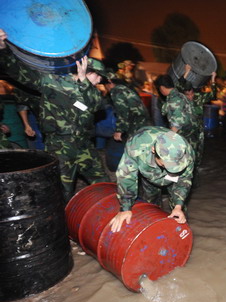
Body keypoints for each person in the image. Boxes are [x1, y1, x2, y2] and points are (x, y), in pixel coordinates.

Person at [0, 29, 109, 201]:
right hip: (60, 145)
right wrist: (2, 48)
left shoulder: (91, 91)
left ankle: (108, 215)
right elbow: (21, 73)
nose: (99, 82)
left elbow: (95, 106)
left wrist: (84, 84)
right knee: (61, 191)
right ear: (89, 71)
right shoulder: (54, 83)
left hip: (84, 144)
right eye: (99, 78)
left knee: (103, 183)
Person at [109, 126, 195, 233]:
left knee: (179, 212)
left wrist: (178, 206)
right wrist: (125, 208)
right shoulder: (136, 146)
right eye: (167, 165)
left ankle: (180, 236)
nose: (170, 170)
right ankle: (156, 232)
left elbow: (184, 179)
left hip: (174, 180)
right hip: (150, 175)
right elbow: (126, 176)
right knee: (152, 206)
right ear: (154, 150)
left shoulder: (185, 152)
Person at [104, 71, 152, 142]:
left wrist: (119, 130)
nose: (105, 87)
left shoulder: (116, 91)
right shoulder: (123, 88)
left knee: (134, 146)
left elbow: (122, 111)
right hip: (141, 120)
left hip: (137, 122)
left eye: (104, 84)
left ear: (109, 82)